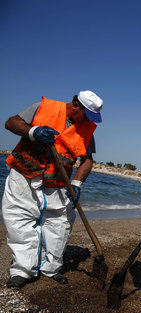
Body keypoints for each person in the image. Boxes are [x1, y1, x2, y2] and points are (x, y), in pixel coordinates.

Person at [2, 90, 103, 289]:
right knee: (19, 221)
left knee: (60, 223)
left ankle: (51, 268)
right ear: (76, 105)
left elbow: (87, 160)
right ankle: (23, 270)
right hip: (25, 174)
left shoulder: (86, 130)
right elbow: (10, 123)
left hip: (58, 183)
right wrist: (33, 131)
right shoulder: (43, 108)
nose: (87, 121)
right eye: (86, 115)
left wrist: (77, 183)